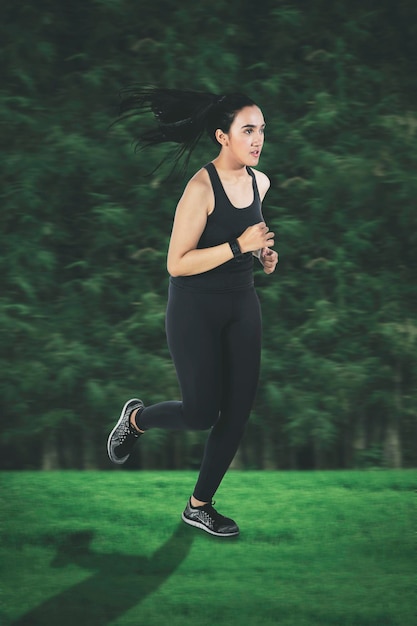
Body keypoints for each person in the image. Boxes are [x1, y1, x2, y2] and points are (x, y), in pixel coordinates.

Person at [107, 87, 278, 537]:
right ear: (222, 136)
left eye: (261, 129)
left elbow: (248, 241)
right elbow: (176, 263)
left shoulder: (260, 183)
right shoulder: (200, 188)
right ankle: (137, 419)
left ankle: (199, 506)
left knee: (237, 412)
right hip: (194, 309)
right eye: (248, 130)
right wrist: (241, 245)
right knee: (202, 413)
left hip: (242, 304)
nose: (258, 139)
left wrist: (262, 257)